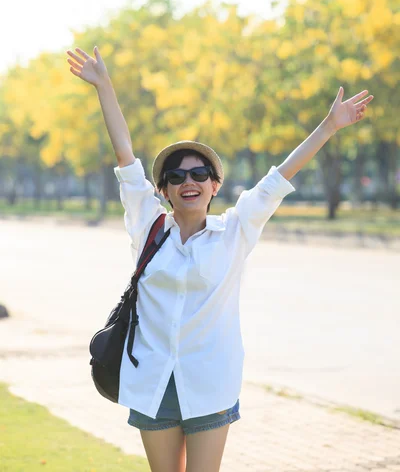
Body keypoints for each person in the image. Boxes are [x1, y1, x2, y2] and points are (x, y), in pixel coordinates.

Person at [66, 45, 374, 472]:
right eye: (175, 176)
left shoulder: (235, 231)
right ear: (164, 190)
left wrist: (328, 125)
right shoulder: (147, 226)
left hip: (209, 383)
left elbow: (279, 177)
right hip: (152, 381)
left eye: (198, 174)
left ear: (214, 186)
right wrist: (105, 87)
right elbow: (125, 157)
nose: (187, 182)